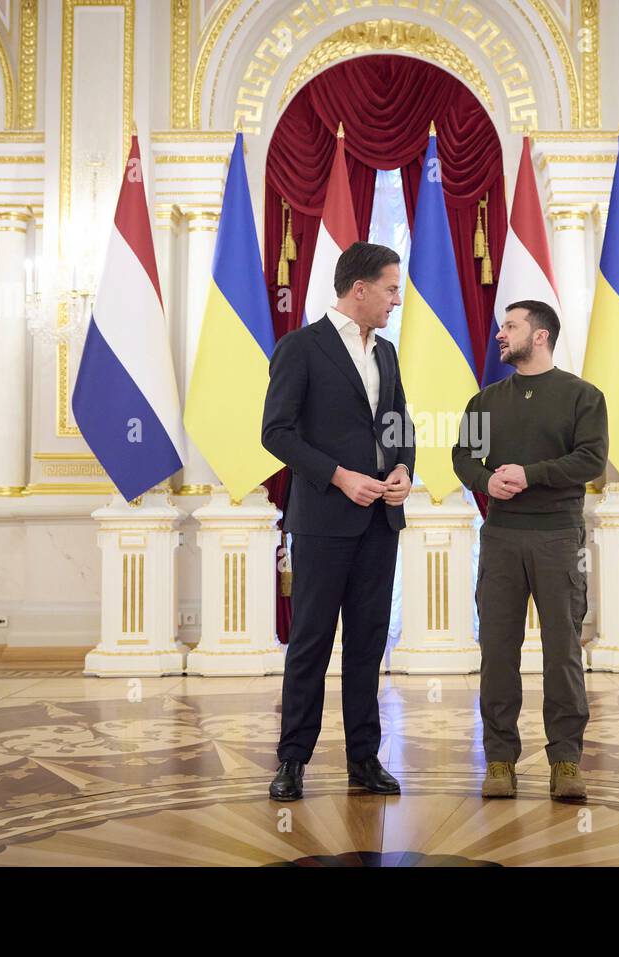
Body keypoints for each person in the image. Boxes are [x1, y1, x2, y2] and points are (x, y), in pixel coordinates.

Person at [261, 241, 414, 802]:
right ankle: (292, 761)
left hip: (380, 523)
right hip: (324, 522)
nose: (397, 299)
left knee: (369, 644)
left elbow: (400, 424)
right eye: (392, 288)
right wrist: (339, 477)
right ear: (361, 289)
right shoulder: (300, 347)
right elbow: (276, 433)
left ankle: (363, 760)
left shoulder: (388, 353)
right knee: (310, 643)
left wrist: (402, 468)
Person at [452, 300, 608, 802]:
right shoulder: (485, 401)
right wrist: (485, 480)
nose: (501, 334)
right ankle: (499, 762)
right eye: (502, 325)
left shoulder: (583, 396)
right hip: (500, 537)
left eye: (511, 326)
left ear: (539, 336)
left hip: (558, 537)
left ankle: (566, 761)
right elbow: (462, 455)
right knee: (497, 653)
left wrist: (530, 474)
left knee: (562, 653)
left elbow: (591, 459)